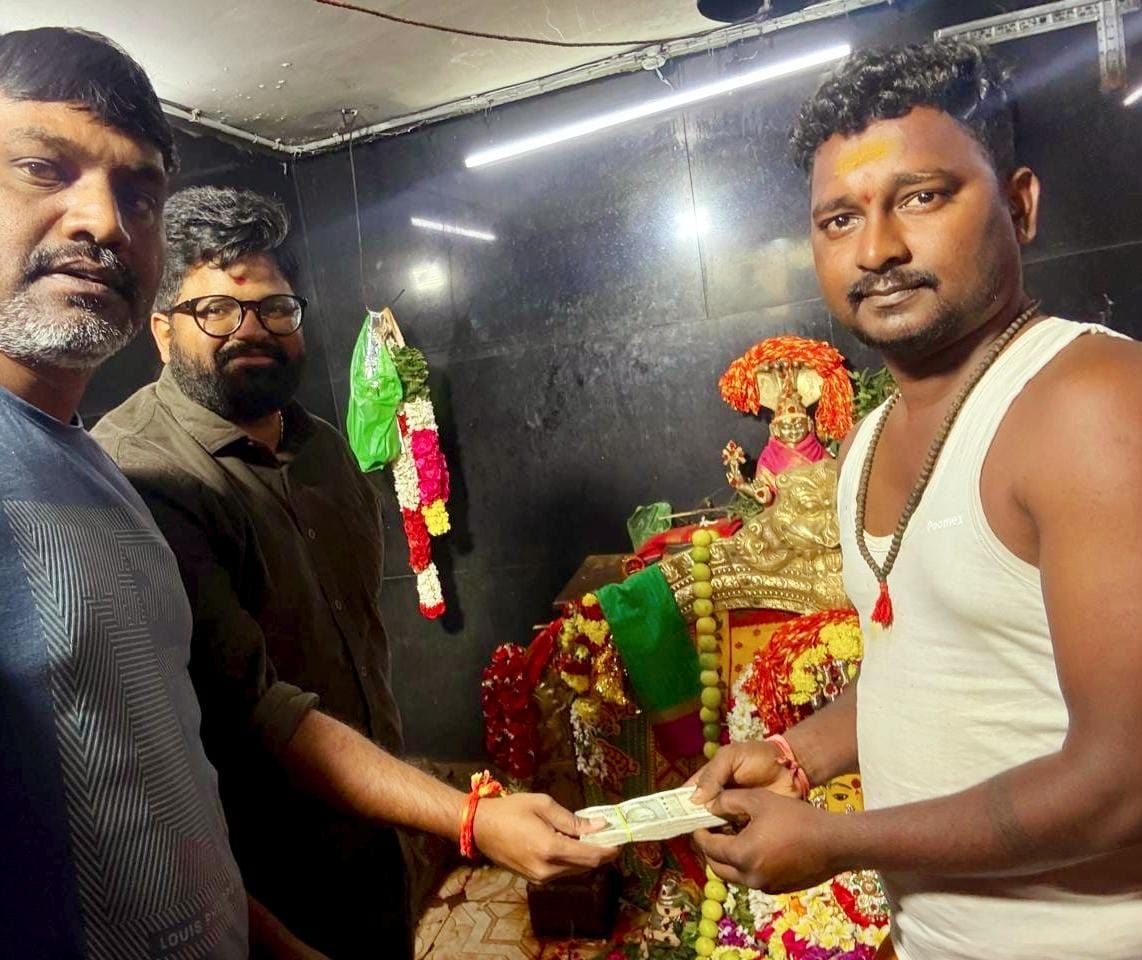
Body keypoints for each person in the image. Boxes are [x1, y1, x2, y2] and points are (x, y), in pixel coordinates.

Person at [690, 39, 1142, 960]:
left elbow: (1126, 779)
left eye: (923, 197)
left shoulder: (1090, 402)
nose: (878, 249)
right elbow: (922, 669)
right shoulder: (868, 441)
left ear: (1020, 205)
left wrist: (839, 841)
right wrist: (798, 755)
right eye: (839, 219)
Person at [92, 185, 618, 958]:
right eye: (218, 311)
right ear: (164, 332)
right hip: (256, 885)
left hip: (374, 849)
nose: (252, 330)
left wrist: (409, 812)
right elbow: (252, 710)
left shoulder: (323, 450)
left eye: (275, 308)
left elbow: (356, 642)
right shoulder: (140, 472)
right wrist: (468, 818)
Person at [0, 27, 251, 958]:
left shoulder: (101, 470)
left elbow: (161, 796)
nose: (104, 223)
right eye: (42, 168)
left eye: (139, 195)